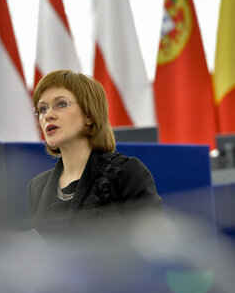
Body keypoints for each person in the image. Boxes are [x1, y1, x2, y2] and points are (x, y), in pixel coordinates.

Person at [28, 69, 162, 236]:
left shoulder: (126, 173)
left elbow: (152, 247)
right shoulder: (37, 186)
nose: (48, 115)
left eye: (61, 104)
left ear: (89, 115)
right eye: (42, 109)